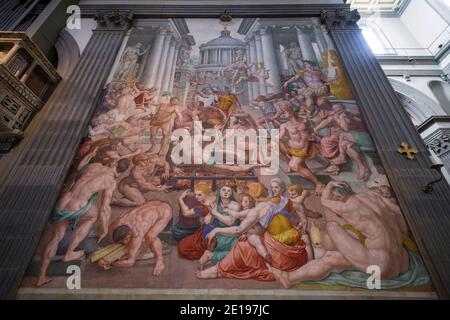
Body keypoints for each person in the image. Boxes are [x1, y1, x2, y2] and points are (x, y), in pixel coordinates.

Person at [266, 179, 410, 288]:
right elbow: (402, 222)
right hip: (402, 261)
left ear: (338, 197)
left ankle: (291, 276)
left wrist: (329, 184)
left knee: (332, 226)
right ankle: (289, 278)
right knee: (331, 258)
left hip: (379, 263)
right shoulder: (375, 197)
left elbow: (324, 200)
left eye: (335, 198)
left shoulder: (348, 206)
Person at [36, 159, 126, 287]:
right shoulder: (110, 182)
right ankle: (69, 253)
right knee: (93, 215)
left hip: (62, 202)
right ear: (120, 173)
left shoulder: (95, 165)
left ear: (115, 163)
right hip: (77, 206)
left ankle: (41, 277)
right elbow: (105, 208)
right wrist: (104, 228)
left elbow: (76, 173)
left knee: (56, 238)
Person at [105, 200, 172, 276]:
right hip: (152, 203)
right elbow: (112, 238)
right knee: (143, 236)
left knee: (150, 236)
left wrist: (111, 263)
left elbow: (130, 262)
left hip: (164, 211)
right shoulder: (117, 223)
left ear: (130, 233)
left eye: (126, 239)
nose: (125, 243)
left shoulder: (137, 232)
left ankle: (160, 261)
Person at [279, 106, 324, 194]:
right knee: (299, 166)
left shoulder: (304, 121)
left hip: (305, 148)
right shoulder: (284, 125)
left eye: (284, 112)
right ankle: (316, 182)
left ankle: (318, 183)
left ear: (290, 110)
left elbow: (311, 131)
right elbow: (279, 138)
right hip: (293, 149)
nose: (282, 115)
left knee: (295, 166)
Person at [177, 183, 216, 260]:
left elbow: (186, 213)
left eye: (199, 195)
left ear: (206, 193)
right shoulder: (203, 205)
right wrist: (180, 199)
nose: (196, 197)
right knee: (183, 244)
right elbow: (186, 213)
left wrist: (180, 199)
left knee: (183, 247)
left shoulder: (202, 207)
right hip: (210, 228)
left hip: (212, 230)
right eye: (195, 195)